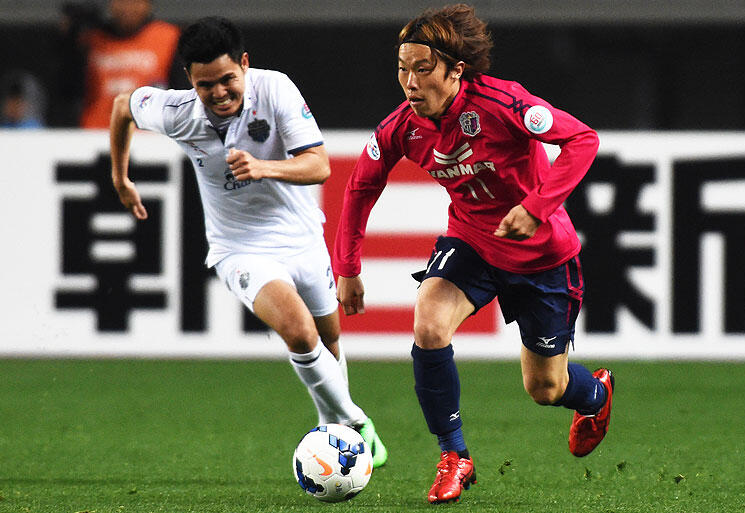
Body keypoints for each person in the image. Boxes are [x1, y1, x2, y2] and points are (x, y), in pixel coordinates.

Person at [333, 4, 612, 503]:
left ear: (455, 70)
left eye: (423, 69)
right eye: (403, 69)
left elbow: (582, 139)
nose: (410, 82)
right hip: (472, 243)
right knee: (428, 324)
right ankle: (454, 456)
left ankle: (595, 394)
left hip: (542, 257)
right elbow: (359, 188)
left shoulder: (503, 103)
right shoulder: (401, 127)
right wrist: (348, 268)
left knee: (545, 389)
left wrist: (536, 207)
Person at [108, 16, 387, 466]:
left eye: (227, 80)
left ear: (244, 64)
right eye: (205, 85)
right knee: (299, 332)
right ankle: (356, 422)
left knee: (329, 339)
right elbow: (123, 106)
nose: (219, 93)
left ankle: (332, 428)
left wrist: (264, 168)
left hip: (301, 237)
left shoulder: (275, 89)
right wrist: (120, 176)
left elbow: (319, 165)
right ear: (189, 79)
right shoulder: (176, 111)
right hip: (239, 249)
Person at [56, 0, 182, 128]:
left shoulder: (168, 37)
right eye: (121, 2)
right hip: (96, 130)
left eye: (136, 2)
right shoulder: (91, 38)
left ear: (148, 5)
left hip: (150, 132)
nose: (128, 8)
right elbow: (67, 87)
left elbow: (182, 91)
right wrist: (71, 36)